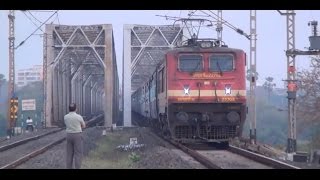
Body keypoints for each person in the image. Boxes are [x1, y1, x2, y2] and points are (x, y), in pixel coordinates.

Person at [64, 103, 86, 169]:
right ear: (76, 109)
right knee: (78, 154)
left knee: (69, 154)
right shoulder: (79, 117)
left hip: (69, 135)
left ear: (69, 109)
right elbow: (84, 126)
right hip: (77, 135)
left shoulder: (65, 117)